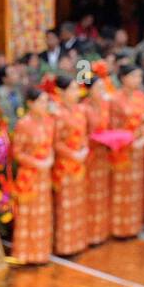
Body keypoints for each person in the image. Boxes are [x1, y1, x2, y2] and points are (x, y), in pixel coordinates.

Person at [10, 88, 55, 263]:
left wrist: (49, 159)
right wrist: (37, 163)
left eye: (46, 101)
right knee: (29, 214)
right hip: (29, 175)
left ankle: (42, 253)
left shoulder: (48, 122)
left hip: (45, 175)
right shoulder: (23, 124)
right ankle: (26, 254)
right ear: (30, 103)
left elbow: (50, 145)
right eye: (41, 101)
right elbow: (17, 152)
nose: (45, 105)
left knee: (43, 214)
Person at [109, 63, 144, 237]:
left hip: (139, 149)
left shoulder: (141, 96)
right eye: (134, 76)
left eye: (139, 77)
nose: (138, 80)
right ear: (124, 78)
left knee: (136, 188)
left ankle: (134, 226)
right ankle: (119, 227)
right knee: (121, 188)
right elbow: (113, 126)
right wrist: (131, 141)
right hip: (123, 150)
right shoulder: (115, 99)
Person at [52, 75, 90, 256]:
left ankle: (77, 242)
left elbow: (84, 134)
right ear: (62, 92)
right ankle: (64, 246)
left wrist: (84, 149)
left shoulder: (79, 110)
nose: (77, 92)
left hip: (79, 164)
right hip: (64, 166)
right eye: (73, 89)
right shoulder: (57, 113)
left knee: (78, 204)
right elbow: (56, 142)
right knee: (65, 205)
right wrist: (72, 154)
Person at [83, 63, 114, 246]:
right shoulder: (84, 109)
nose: (102, 91)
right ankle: (89, 233)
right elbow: (81, 134)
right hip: (90, 157)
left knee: (102, 193)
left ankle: (101, 232)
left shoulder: (105, 107)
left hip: (103, 155)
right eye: (99, 88)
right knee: (90, 194)